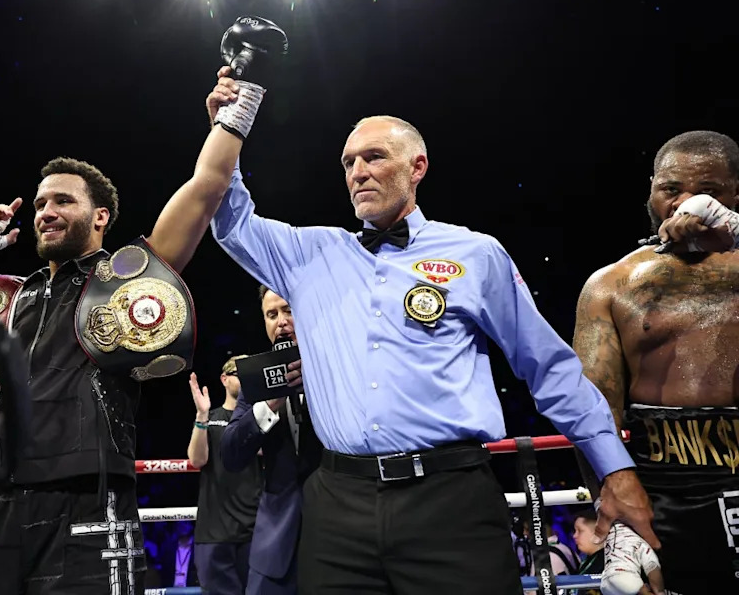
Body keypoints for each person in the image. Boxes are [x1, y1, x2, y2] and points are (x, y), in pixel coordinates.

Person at [199, 75, 658, 593]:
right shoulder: (311, 254)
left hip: (451, 500)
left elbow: (548, 368)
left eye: (373, 157)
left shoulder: (475, 254)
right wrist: (228, 125)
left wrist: (615, 469)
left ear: (417, 167)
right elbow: (229, 219)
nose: (358, 173)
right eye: (349, 163)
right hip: (337, 506)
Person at [0, 68, 244, 595]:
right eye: (39, 204)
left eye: (62, 201)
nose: (46, 212)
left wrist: (233, 114)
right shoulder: (3, 295)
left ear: (100, 216)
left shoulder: (127, 278)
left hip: (88, 499)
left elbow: (205, 188)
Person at [573, 130, 739, 594]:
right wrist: (619, 514)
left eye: (705, 190)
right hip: (664, 491)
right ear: (651, 190)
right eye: (671, 189)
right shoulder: (612, 285)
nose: (684, 204)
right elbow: (594, 412)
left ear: (734, 194)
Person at [220, 286, 323, 595]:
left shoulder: (339, 369)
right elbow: (231, 454)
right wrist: (271, 403)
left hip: (338, 538)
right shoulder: (255, 379)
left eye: (288, 311)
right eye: (272, 314)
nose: (281, 322)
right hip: (275, 548)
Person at [186, 356, 263, 595]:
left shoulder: (263, 418)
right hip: (215, 532)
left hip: (256, 529)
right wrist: (201, 416)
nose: (248, 377)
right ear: (225, 379)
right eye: (242, 373)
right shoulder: (211, 419)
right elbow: (197, 460)